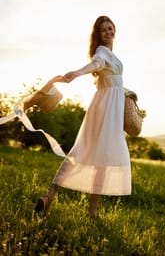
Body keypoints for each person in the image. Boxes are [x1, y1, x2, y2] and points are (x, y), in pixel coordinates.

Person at [35, 16, 131, 217]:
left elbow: (111, 80)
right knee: (90, 154)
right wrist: (77, 73)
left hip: (110, 107)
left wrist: (125, 92)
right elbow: (96, 64)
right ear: (98, 35)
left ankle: (55, 199)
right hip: (105, 110)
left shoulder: (111, 55)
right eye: (103, 30)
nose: (108, 32)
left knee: (95, 156)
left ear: (116, 30)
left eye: (111, 28)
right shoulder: (102, 52)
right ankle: (86, 209)